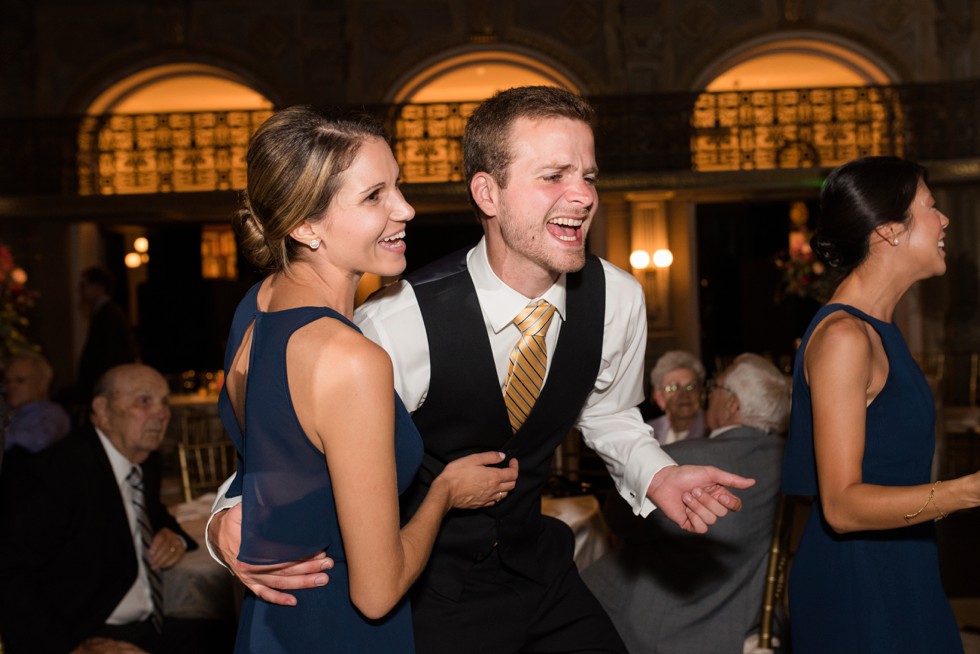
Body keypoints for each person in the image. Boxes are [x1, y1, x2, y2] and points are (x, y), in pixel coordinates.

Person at [210, 86, 754, 654]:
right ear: (487, 193)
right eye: (554, 176)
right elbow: (293, 431)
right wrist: (230, 512)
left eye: (588, 177)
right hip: (431, 591)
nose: (582, 196)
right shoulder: (395, 319)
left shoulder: (617, 298)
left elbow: (610, 414)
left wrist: (657, 475)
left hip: (539, 568)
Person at [217, 106, 518, 652]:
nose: (405, 208)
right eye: (373, 196)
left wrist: (222, 523)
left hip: (270, 629)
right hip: (337, 633)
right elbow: (376, 594)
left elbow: (267, 461)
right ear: (304, 226)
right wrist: (444, 494)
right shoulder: (350, 360)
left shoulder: (255, 308)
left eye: (396, 186)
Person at [781, 156, 979, 653]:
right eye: (931, 207)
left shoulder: (879, 332)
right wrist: (970, 492)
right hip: (858, 585)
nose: (945, 221)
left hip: (901, 567)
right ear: (889, 231)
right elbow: (843, 506)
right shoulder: (845, 337)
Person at [584, 353, 789, 653]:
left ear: (732, 404)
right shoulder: (788, 460)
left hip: (660, 623)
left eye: (713, 388)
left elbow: (618, 516)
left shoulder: (683, 461)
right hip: (744, 617)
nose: (707, 396)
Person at [0, 364, 204, 654]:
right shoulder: (56, 473)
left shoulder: (144, 461)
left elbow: (154, 512)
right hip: (86, 632)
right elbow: (10, 573)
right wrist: (71, 648)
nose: (161, 414)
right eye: (144, 401)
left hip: (151, 626)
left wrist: (173, 535)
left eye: (165, 402)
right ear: (103, 410)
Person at [76, 266, 139, 404]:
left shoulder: (109, 314)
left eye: (84, 285)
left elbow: (112, 355)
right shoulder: (102, 313)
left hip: (109, 389)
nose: (81, 291)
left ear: (98, 286)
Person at [3, 351, 70, 453]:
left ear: (42, 383)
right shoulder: (6, 411)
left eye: (19, 380)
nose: (11, 386)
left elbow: (39, 441)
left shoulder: (53, 415)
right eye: (7, 381)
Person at [646, 349, 708, 444]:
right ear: (659, 397)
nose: (684, 394)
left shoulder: (712, 429)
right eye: (674, 387)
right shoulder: (648, 432)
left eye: (691, 386)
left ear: (701, 393)